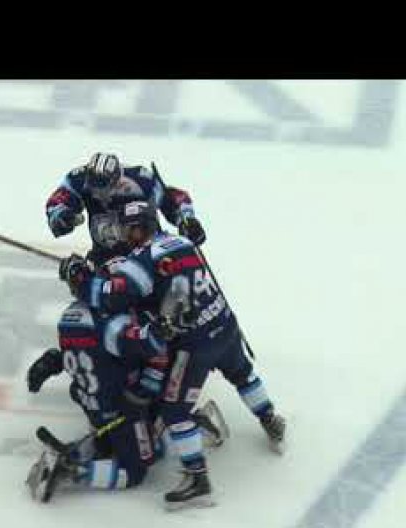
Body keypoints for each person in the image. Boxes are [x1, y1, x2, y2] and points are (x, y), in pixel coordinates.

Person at [60, 199, 286, 510]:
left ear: (144, 227)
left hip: (196, 345)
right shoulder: (181, 242)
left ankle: (198, 480)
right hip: (224, 323)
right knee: (242, 374)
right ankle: (270, 419)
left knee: (174, 412)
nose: (127, 236)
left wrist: (82, 281)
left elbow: (113, 298)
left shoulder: (143, 258)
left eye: (131, 230)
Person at [24, 297, 228, 503]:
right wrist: (143, 389)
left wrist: (54, 359)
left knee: (116, 443)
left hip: (98, 406)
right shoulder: (114, 323)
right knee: (136, 470)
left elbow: (91, 353)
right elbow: (151, 351)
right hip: (122, 410)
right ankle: (71, 471)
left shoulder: (70, 315)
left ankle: (81, 455)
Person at [45, 152, 206, 267]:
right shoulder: (77, 180)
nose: (98, 193)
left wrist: (187, 220)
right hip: (105, 256)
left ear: (117, 179)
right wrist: (60, 215)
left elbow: (173, 198)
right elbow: (57, 200)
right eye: (94, 186)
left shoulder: (142, 180)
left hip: (150, 253)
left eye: (103, 186)